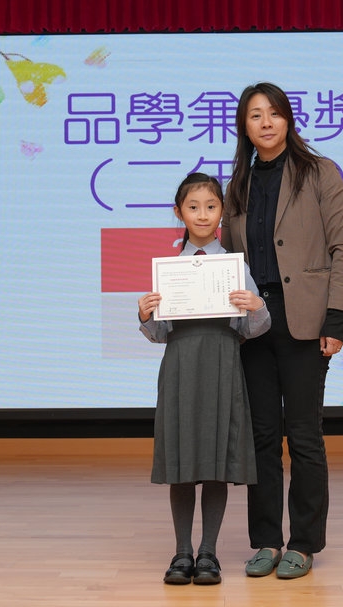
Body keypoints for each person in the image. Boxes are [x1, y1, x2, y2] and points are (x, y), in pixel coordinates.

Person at [221, 82, 343, 579]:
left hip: (306, 320)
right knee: (260, 437)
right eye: (255, 115)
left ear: (288, 120)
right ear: (244, 126)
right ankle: (266, 541)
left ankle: (303, 543)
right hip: (252, 323)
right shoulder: (237, 185)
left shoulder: (320, 172)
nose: (265, 123)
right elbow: (227, 259)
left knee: (303, 435)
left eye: (274, 113)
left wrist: (336, 316)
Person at [138, 172, 271, 585]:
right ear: (178, 212)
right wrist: (145, 315)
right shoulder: (168, 270)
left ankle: (208, 552)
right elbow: (160, 333)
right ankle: (182, 552)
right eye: (193, 207)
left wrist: (257, 307)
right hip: (180, 365)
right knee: (181, 460)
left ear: (222, 212)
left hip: (223, 363)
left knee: (216, 460)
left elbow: (252, 328)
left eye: (211, 206)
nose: (202, 214)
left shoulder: (235, 266)